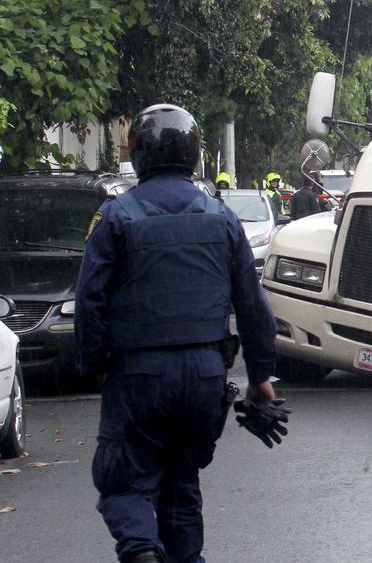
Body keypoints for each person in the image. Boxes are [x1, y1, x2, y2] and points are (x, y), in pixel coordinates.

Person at [75, 104, 285, 563]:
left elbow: (90, 301)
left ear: (138, 152)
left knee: (123, 480)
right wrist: (261, 378)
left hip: (138, 375)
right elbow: (253, 305)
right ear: (192, 154)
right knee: (182, 485)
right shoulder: (222, 218)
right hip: (205, 379)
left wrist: (93, 366)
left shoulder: (115, 217)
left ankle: (140, 550)